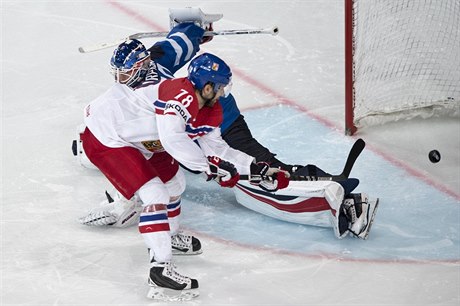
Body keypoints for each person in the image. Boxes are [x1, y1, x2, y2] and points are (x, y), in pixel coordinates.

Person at [75, 10, 378, 242]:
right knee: (204, 164)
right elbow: (177, 44)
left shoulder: (157, 89)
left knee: (253, 171)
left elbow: (182, 144)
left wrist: (214, 165)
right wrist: (194, 27)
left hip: (217, 122)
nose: (122, 79)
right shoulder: (154, 64)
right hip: (198, 117)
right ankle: (132, 199)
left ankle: (330, 195)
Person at [80, 33, 288, 301]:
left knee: (175, 184)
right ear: (208, 87)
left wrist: (256, 169)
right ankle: (160, 269)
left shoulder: (209, 108)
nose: (225, 92)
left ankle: (169, 235)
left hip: (143, 141)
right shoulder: (178, 96)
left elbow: (218, 150)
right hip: (106, 139)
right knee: (155, 194)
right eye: (221, 87)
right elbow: (173, 139)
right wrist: (209, 167)